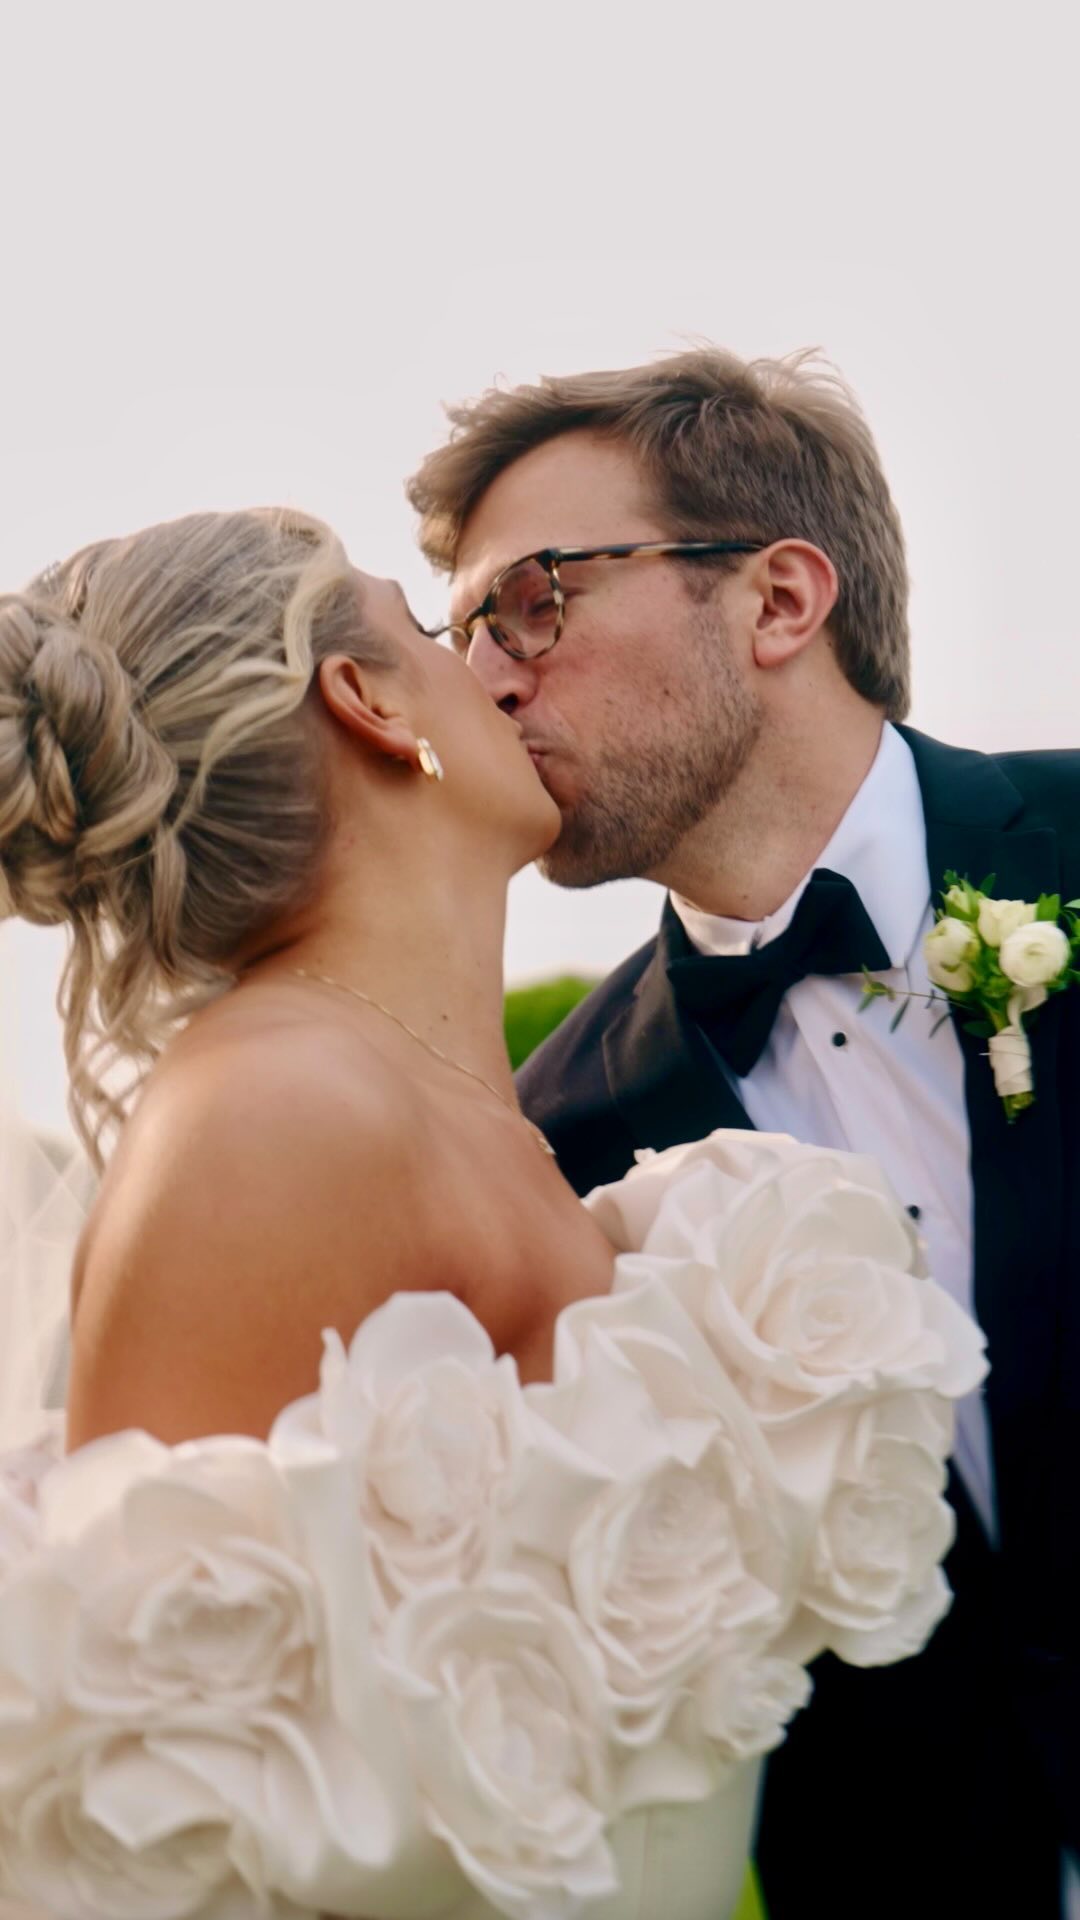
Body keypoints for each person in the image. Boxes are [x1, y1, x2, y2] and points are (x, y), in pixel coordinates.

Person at [0, 506, 981, 1918]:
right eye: (430, 630)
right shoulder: (270, 1116)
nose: (503, 675)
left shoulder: (491, 1123)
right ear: (371, 703)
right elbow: (150, 1779)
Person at [408, 348, 1080, 1919]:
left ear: (780, 600)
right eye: (464, 636)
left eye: (537, 600)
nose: (490, 680)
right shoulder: (550, 1141)